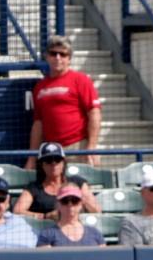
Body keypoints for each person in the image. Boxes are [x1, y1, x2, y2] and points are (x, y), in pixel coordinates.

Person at [26, 34, 102, 168]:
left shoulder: (81, 80)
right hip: (51, 152)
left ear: (69, 59)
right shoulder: (40, 87)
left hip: (77, 148)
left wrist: (91, 147)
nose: (58, 58)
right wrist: (32, 158)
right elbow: (38, 123)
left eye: (63, 54)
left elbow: (94, 113)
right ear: (47, 56)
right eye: (53, 53)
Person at [13, 142, 99, 218]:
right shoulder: (34, 188)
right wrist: (45, 216)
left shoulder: (77, 183)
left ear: (63, 163)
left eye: (57, 159)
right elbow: (17, 211)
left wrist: (78, 197)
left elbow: (96, 210)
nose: (53, 164)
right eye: (48, 160)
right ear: (41, 165)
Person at [36, 184, 105, 248]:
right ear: (58, 205)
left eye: (75, 200)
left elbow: (104, 259)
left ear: (81, 204)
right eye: (65, 201)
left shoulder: (95, 233)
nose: (70, 204)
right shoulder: (47, 235)